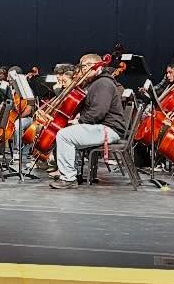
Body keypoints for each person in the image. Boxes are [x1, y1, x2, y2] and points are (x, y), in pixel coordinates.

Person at [49, 54, 128, 188]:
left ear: (96, 66)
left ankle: (68, 179)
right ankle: (73, 173)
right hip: (102, 127)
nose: (81, 69)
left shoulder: (103, 83)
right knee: (66, 132)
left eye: (84, 66)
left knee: (64, 135)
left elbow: (99, 111)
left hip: (108, 129)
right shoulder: (95, 83)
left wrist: (79, 122)